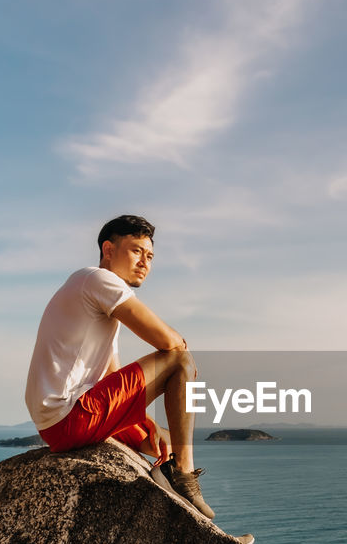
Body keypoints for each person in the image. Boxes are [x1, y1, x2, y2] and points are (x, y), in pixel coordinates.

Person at [24, 214, 214, 519]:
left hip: (60, 421)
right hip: (70, 416)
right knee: (179, 361)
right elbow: (171, 345)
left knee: (165, 440)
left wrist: (139, 419)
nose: (145, 262)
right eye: (136, 251)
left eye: (150, 256)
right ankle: (184, 477)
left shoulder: (94, 300)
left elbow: (113, 374)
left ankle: (192, 515)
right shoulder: (98, 279)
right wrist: (183, 363)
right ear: (108, 250)